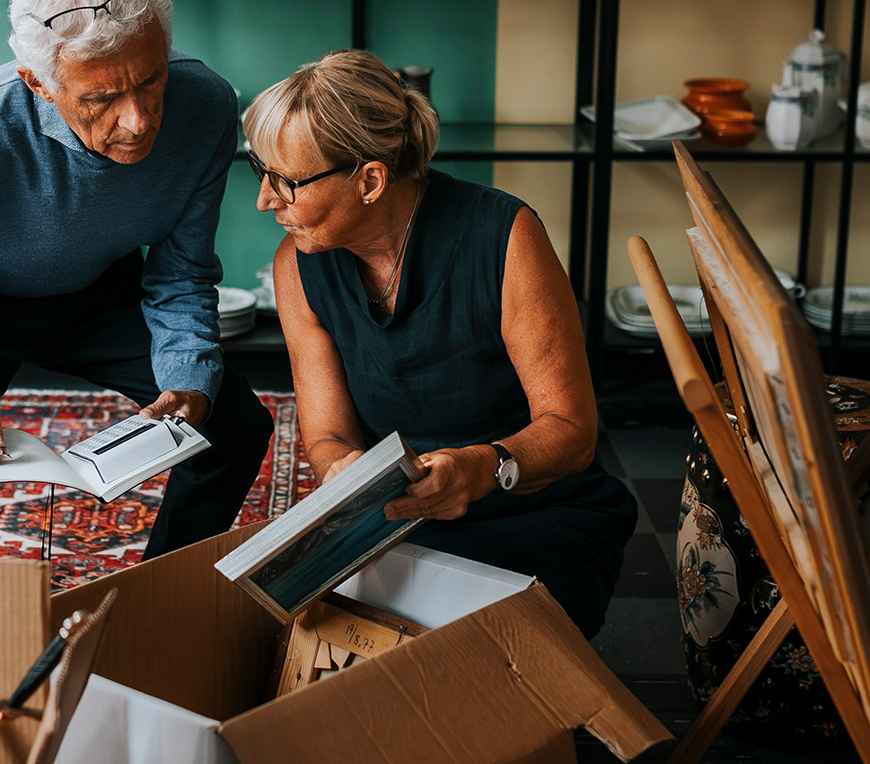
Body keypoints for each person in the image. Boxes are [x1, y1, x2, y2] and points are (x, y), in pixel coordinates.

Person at [0, 0, 274, 575]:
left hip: (97, 288)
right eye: (100, 100)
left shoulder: (208, 108)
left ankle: (164, 592)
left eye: (152, 80)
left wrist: (188, 378)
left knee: (232, 426)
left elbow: (182, 272)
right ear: (39, 83)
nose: (139, 120)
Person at [243, 49, 637, 637]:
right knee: (294, 643)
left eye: (287, 182)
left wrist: (482, 467)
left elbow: (572, 431)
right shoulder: (298, 267)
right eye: (260, 172)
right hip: (397, 518)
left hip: (530, 506)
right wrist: (346, 475)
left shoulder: (504, 238)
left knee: (488, 661)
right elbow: (328, 435)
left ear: (370, 181)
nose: (265, 200)